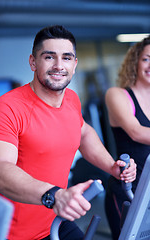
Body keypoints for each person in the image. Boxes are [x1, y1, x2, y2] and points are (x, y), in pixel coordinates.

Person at [0, 25, 136, 240]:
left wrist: (112, 167)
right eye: (49, 57)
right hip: (19, 234)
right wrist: (54, 195)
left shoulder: (71, 99)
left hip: (58, 221)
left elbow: (84, 133)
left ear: (74, 64)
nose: (59, 65)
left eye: (66, 58)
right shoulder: (8, 107)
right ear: (33, 62)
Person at [105, 35, 150, 240]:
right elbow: (136, 132)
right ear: (135, 62)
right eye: (146, 58)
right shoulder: (117, 94)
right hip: (129, 191)